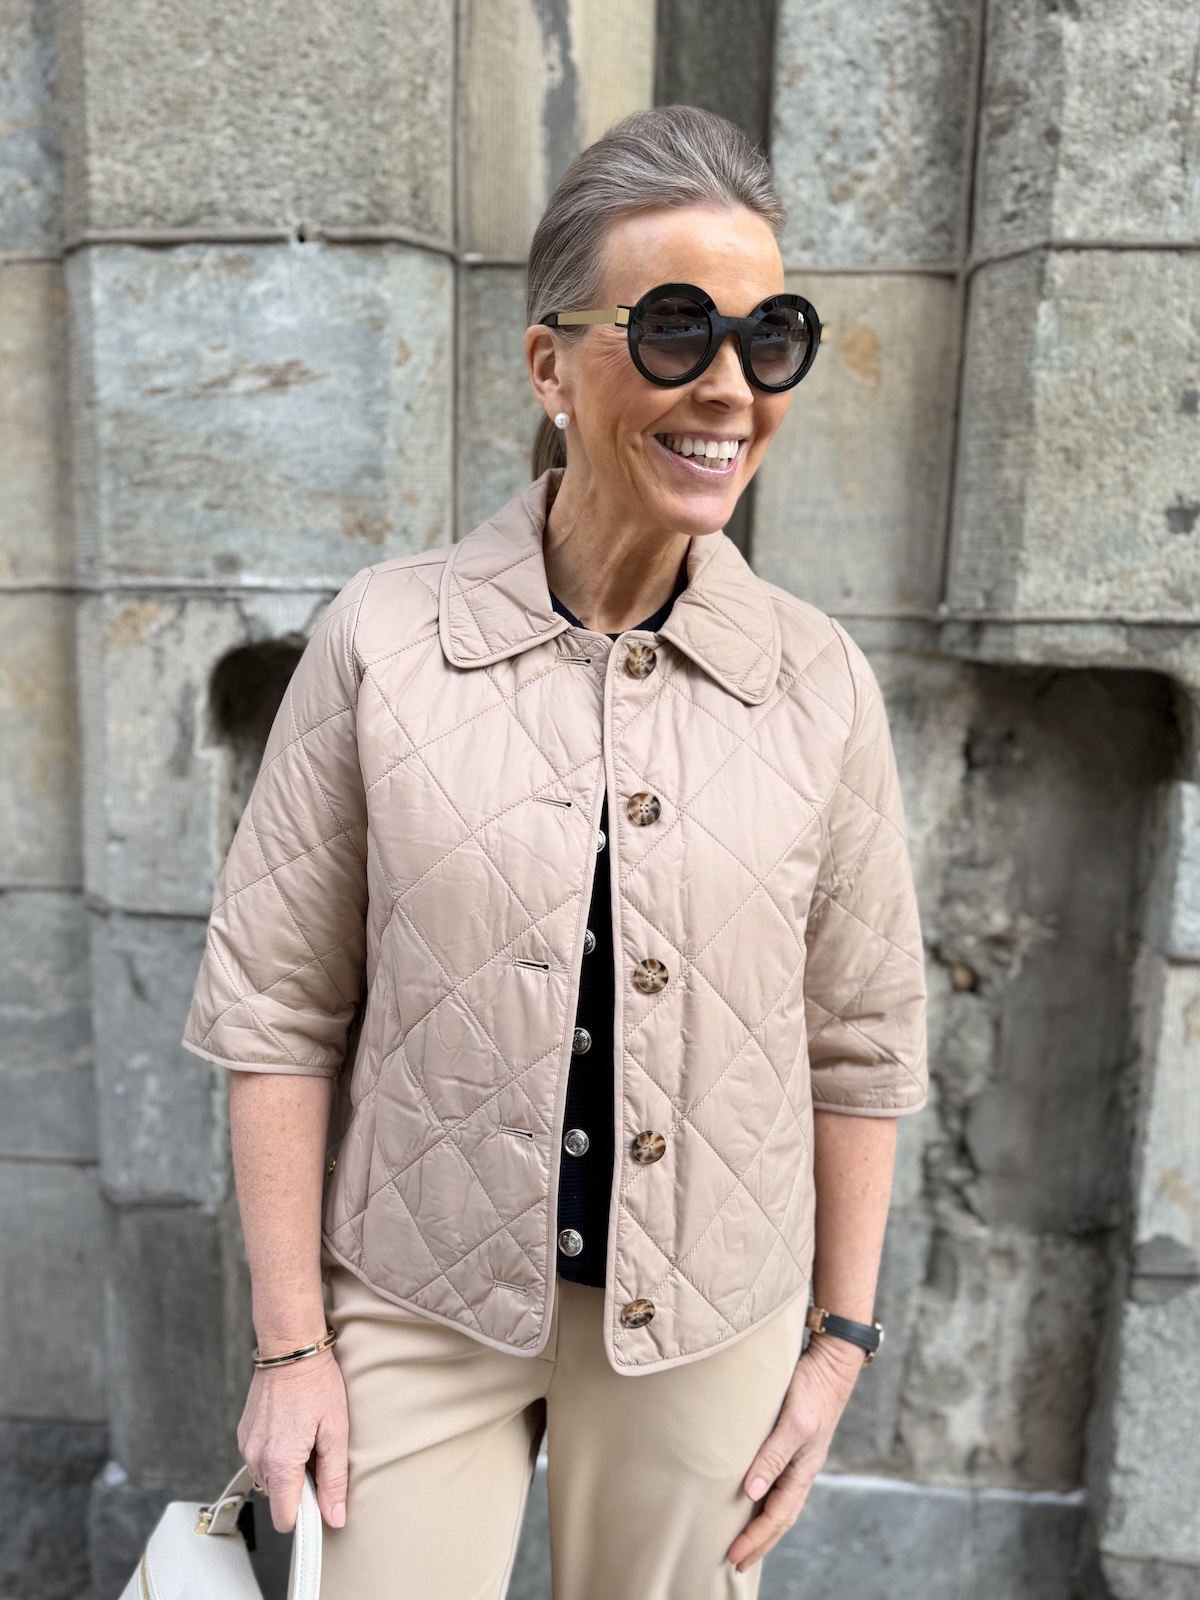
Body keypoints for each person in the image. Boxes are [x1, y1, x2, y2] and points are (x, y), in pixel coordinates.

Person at [181, 105, 928, 1599]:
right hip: (414, 1300)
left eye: (770, 338)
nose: (730, 386)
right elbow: (276, 1010)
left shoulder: (819, 683)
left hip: (707, 1323)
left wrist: (838, 1343)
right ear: (549, 365)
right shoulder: (386, 639)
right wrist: (289, 1347)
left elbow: (859, 1039)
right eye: (674, 329)